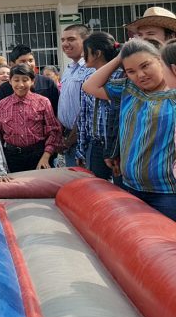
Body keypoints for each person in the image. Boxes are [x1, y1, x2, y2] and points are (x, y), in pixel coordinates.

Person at [82, 39, 176, 221]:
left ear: (160, 60)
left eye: (145, 65)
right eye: (131, 71)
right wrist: (119, 57)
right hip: (129, 187)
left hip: (167, 193)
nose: (140, 75)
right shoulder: (127, 88)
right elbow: (89, 86)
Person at [0, 64, 63, 173]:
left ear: (32, 81)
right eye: (16, 80)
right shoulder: (2, 105)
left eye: (25, 80)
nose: (20, 84)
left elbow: (53, 131)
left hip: (38, 156)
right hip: (12, 159)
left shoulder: (43, 102)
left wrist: (46, 157)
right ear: (10, 81)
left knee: (41, 189)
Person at [76, 32, 122, 180]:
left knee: (120, 190)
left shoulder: (122, 77)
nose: (83, 55)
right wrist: (81, 149)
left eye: (86, 51)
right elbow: (84, 117)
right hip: (96, 146)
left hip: (117, 146)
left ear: (97, 54)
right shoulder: (88, 79)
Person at [57, 24, 92, 167]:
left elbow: (88, 110)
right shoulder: (69, 69)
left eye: (71, 39)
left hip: (83, 140)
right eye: (63, 40)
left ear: (86, 41)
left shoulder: (90, 69)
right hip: (68, 139)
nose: (65, 44)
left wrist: (70, 139)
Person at [0, 44, 60, 114]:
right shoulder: (5, 88)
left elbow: (56, 112)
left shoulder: (48, 83)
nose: (28, 64)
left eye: (30, 60)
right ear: (12, 64)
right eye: (23, 61)